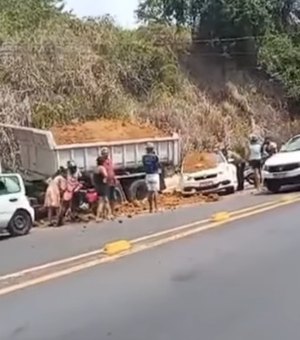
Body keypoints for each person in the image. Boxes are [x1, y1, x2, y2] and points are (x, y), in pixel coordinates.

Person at [57, 162, 82, 227]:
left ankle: (68, 216)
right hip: (72, 190)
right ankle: (64, 217)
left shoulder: (68, 172)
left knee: (66, 205)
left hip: (71, 190)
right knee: (65, 205)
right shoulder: (71, 172)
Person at [142, 142, 160, 213]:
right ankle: (156, 208)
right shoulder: (155, 157)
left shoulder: (144, 157)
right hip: (154, 175)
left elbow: (144, 164)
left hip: (148, 175)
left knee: (150, 190)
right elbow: (158, 164)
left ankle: (150, 209)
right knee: (154, 191)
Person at [93, 156, 112, 222]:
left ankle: (109, 214)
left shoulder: (96, 168)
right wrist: (105, 179)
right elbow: (106, 175)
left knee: (106, 200)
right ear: (102, 162)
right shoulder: (102, 168)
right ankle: (98, 217)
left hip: (98, 186)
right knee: (101, 202)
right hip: (102, 186)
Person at [100, 148, 117, 216]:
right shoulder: (101, 162)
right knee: (105, 198)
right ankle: (106, 213)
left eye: (106, 153)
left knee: (112, 198)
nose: (106, 155)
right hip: (105, 183)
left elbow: (112, 171)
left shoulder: (110, 161)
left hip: (112, 182)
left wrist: (114, 179)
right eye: (104, 154)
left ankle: (112, 212)